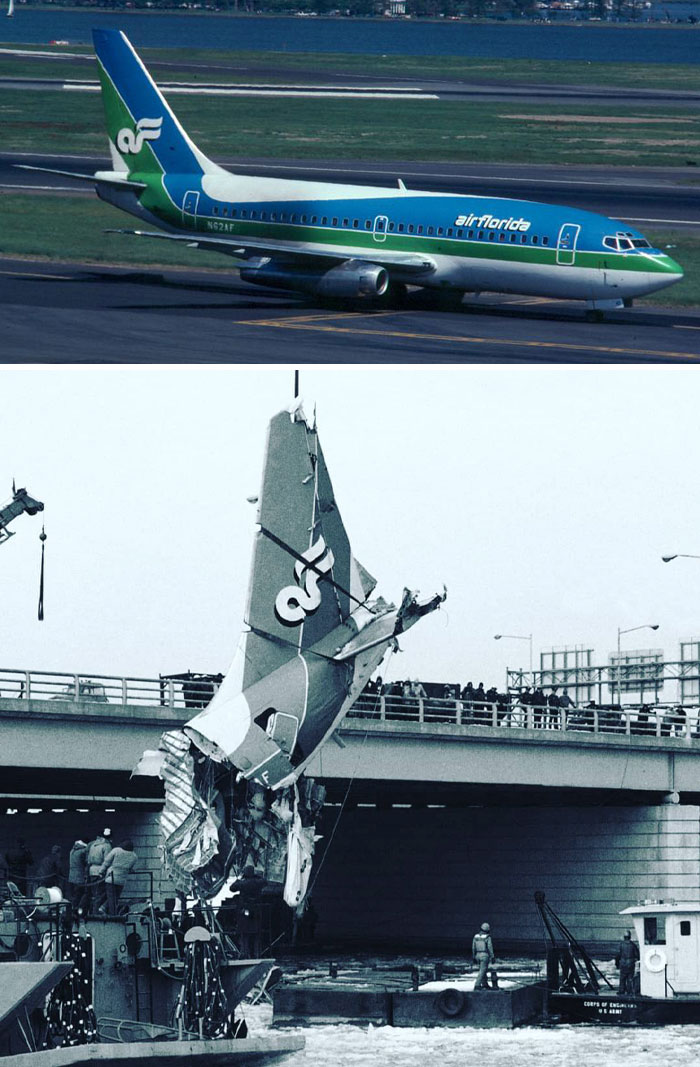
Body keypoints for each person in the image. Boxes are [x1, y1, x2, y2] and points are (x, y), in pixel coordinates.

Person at [99, 839, 138, 915]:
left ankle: (112, 915)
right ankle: (103, 908)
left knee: (111, 898)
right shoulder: (134, 856)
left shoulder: (116, 851)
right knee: (115, 897)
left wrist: (101, 872)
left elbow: (107, 862)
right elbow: (130, 869)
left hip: (111, 878)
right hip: (121, 880)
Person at [85, 829, 112, 914]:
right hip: (100, 872)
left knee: (94, 894)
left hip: (92, 871)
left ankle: (93, 912)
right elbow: (108, 860)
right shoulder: (106, 846)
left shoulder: (93, 845)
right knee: (101, 894)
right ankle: (97, 912)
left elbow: (88, 860)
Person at [472, 922, 496, 990]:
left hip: (477, 955)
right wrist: (492, 957)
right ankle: (477, 985)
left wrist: (473, 956)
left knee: (482, 970)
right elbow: (490, 947)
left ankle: (485, 984)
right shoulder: (488, 937)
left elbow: (473, 947)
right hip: (484, 955)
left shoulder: (475, 936)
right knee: (482, 971)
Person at [615, 930, 639, 996]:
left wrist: (617, 964)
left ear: (624, 937)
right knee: (630, 978)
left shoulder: (621, 945)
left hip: (623, 963)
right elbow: (637, 955)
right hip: (631, 963)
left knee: (622, 978)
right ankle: (629, 991)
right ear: (630, 937)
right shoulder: (633, 945)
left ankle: (621, 991)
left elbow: (617, 955)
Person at [68, 839, 89, 911]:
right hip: (79, 877)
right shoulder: (83, 851)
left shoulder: (72, 851)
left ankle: (72, 910)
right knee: (81, 894)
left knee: (74, 895)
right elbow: (86, 863)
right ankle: (77, 910)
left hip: (71, 877)